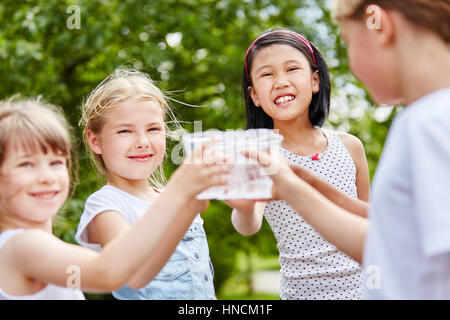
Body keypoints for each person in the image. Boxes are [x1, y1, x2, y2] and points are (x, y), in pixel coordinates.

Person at [245, 0, 450, 299]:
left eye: (348, 42)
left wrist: (291, 188)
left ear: (378, 25)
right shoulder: (428, 118)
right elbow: (397, 237)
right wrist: (319, 190)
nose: (351, 61)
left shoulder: (428, 122)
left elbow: (392, 251)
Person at [0, 97, 228, 300]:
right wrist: (177, 191)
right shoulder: (22, 246)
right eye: (26, 164)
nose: (47, 177)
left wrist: (187, 205)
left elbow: (137, 277)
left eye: (56, 162)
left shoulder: (36, 247)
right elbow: (108, 273)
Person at [227, 29, 371, 300]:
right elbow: (248, 225)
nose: (280, 81)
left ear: (315, 80)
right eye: (267, 74)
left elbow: (369, 222)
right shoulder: (259, 155)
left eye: (292, 68)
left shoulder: (350, 146)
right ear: (255, 95)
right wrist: (244, 208)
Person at [75, 68, 218, 299]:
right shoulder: (106, 205)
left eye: (153, 129)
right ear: (95, 140)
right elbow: (133, 275)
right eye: (125, 131)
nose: (142, 142)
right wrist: (184, 203)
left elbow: (202, 283)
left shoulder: (176, 198)